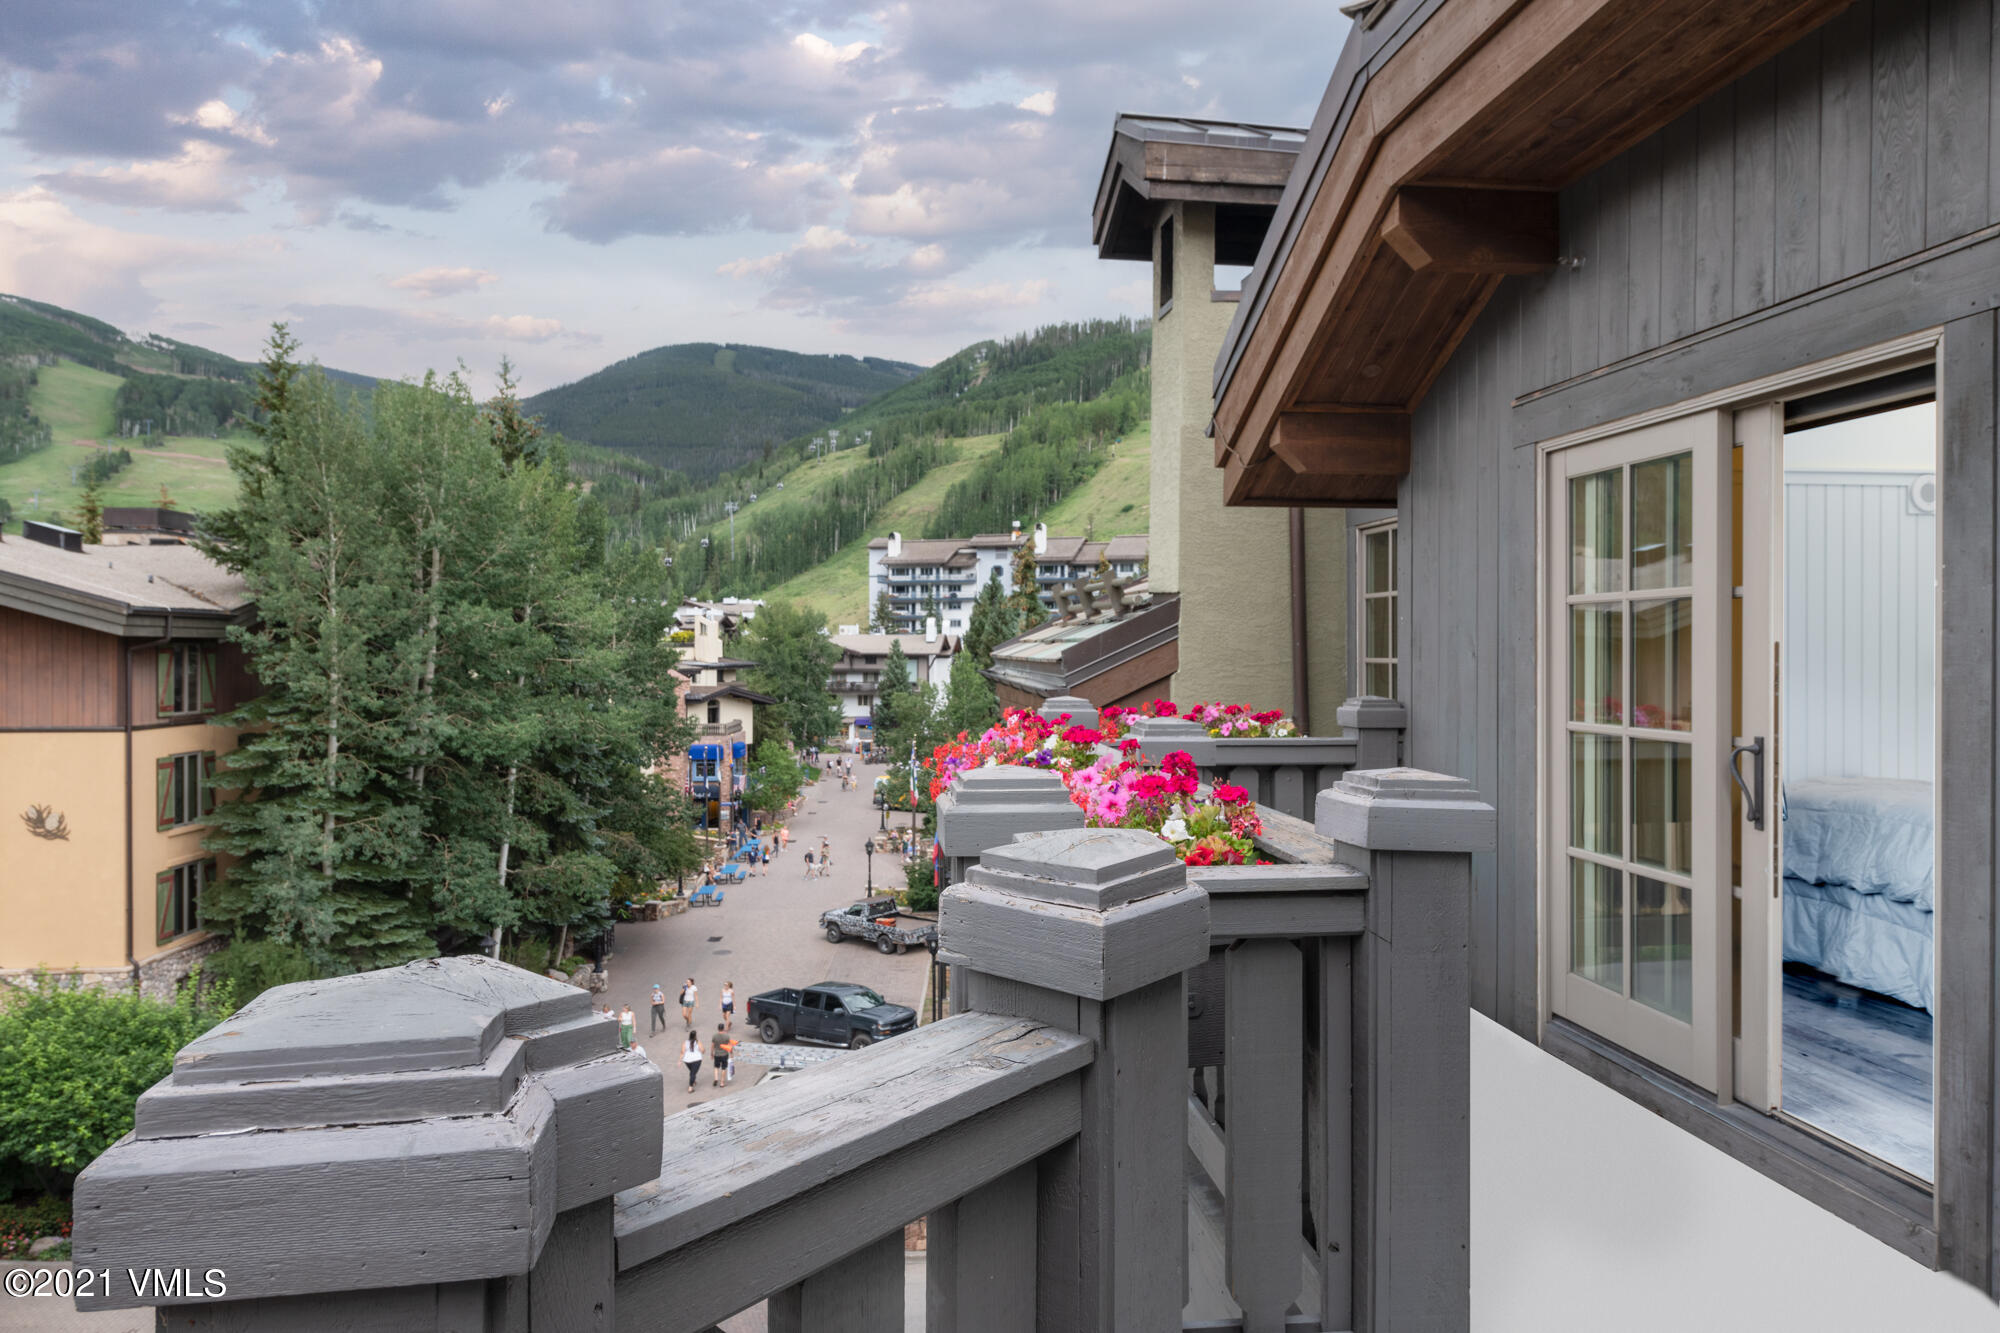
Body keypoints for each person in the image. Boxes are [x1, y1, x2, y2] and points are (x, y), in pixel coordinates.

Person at [710, 1024, 734, 1088]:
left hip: (717, 1054)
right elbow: (729, 1046)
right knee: (724, 1067)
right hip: (724, 1054)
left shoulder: (714, 1036)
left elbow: (712, 1046)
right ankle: (722, 1083)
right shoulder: (726, 1036)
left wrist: (711, 1053)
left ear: (718, 1028)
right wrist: (731, 1053)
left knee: (716, 1067)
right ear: (723, 1028)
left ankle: (716, 1078)